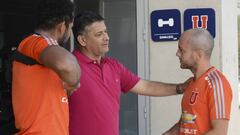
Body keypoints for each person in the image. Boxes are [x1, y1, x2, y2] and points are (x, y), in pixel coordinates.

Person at [69, 11, 188, 135]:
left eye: (106, 32)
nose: (107, 37)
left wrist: (180, 88)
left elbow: (146, 87)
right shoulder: (68, 67)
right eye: (99, 34)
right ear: (82, 40)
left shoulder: (113, 66)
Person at [12, 0, 81, 134]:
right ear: (62, 25)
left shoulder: (46, 55)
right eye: (70, 27)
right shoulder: (37, 41)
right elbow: (68, 66)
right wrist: (74, 81)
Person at [162, 28, 232, 135]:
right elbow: (186, 123)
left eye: (182, 50)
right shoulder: (190, 83)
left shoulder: (217, 83)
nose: (177, 54)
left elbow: (219, 132)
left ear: (198, 54)